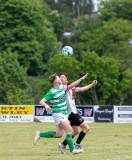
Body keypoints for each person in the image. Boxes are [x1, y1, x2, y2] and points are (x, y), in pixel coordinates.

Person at [34, 73, 88, 154]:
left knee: (59, 134)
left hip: (63, 114)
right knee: (69, 130)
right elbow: (41, 101)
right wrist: (46, 105)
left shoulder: (62, 88)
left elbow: (72, 85)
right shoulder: (52, 92)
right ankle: (72, 150)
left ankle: (40, 134)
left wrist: (81, 79)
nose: (60, 78)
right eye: (58, 78)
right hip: (58, 114)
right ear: (56, 81)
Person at [58, 72, 98, 153]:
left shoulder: (69, 89)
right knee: (86, 128)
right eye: (62, 77)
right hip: (72, 114)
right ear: (59, 81)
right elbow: (72, 85)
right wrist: (81, 79)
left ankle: (63, 144)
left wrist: (91, 85)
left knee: (76, 131)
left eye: (65, 76)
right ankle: (77, 144)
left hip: (70, 114)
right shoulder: (62, 88)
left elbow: (82, 89)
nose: (65, 77)